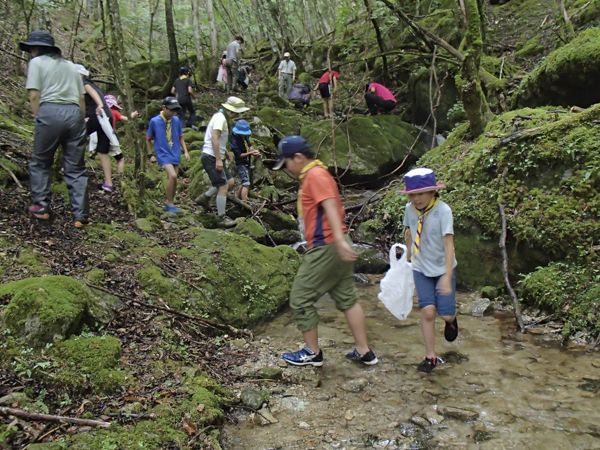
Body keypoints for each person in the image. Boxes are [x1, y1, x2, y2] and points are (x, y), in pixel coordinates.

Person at [273, 135, 377, 367]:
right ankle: (364, 351)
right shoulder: (319, 172)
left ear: (298, 158)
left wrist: (338, 241)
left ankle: (312, 352)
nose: (287, 169)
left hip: (327, 246)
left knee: (300, 298)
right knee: (347, 299)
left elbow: (330, 203)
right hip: (337, 244)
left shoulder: (315, 175)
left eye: (286, 163)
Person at [21, 30, 89, 228]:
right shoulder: (69, 65)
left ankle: (41, 206)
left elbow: (34, 94)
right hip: (75, 113)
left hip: (50, 110)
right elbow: (81, 97)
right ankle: (80, 215)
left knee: (41, 162)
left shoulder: (36, 62)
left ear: (35, 48)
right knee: (75, 166)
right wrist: (81, 119)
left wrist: (38, 116)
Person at [401, 168, 458, 374]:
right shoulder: (409, 209)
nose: (416, 199)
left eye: (421, 194)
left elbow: (449, 243)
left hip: (443, 268)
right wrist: (406, 258)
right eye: (412, 194)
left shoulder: (443, 211)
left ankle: (451, 320)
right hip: (420, 266)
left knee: (445, 313)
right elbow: (409, 232)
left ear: (433, 192)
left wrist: (448, 276)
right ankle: (430, 356)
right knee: (427, 311)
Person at [195, 97, 249, 227]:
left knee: (229, 182)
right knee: (223, 186)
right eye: (238, 112)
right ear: (232, 111)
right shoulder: (220, 118)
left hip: (216, 155)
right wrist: (218, 159)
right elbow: (214, 138)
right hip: (211, 156)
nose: (238, 115)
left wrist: (224, 152)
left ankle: (204, 198)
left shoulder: (221, 117)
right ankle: (221, 218)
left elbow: (217, 139)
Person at [76, 63, 117, 193]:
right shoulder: (91, 84)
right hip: (106, 117)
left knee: (75, 137)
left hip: (97, 116)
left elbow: (93, 94)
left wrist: (99, 105)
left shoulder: (84, 83)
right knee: (102, 151)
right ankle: (108, 183)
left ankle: (73, 169)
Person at [146, 97, 190, 214]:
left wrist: (185, 151)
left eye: (175, 111)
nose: (173, 113)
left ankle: (171, 203)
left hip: (175, 151)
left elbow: (181, 136)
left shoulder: (175, 120)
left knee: (174, 179)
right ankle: (169, 203)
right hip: (163, 153)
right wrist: (150, 154)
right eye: (171, 110)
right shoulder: (154, 121)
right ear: (164, 107)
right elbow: (148, 138)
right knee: (173, 176)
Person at [101, 94, 139, 175]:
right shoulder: (114, 112)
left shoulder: (100, 112)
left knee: (102, 154)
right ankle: (120, 176)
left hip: (99, 135)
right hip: (110, 136)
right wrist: (134, 114)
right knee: (120, 158)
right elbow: (127, 119)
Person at [229, 119, 260, 201]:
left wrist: (253, 150)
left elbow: (249, 145)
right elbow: (239, 155)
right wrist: (250, 153)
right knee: (246, 184)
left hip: (247, 162)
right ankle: (245, 202)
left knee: (244, 182)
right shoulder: (234, 140)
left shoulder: (244, 137)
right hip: (241, 164)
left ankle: (236, 198)